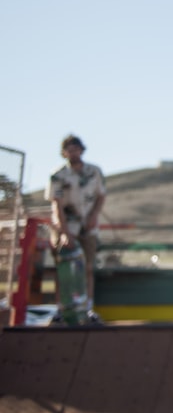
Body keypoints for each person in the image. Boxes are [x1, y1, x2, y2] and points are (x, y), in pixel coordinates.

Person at [45, 134, 106, 322]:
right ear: (64, 153)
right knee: (63, 268)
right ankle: (61, 309)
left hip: (87, 226)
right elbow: (57, 204)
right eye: (69, 150)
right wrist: (64, 232)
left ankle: (88, 308)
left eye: (76, 149)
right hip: (66, 225)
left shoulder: (93, 172)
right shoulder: (59, 175)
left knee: (88, 267)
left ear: (81, 150)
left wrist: (94, 217)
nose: (74, 153)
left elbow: (101, 196)